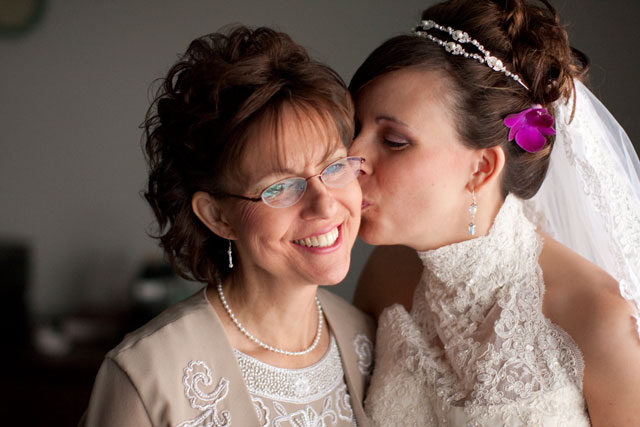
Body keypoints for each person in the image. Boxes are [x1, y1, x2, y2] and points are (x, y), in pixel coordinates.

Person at [347, 0, 640, 425]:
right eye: (354, 131)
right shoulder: (386, 276)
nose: (352, 158)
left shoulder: (595, 319)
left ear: (481, 168)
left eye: (393, 141)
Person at [80, 26, 375, 427]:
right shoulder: (146, 374)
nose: (325, 203)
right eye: (281, 186)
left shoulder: (370, 340)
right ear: (218, 216)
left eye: (335, 167)